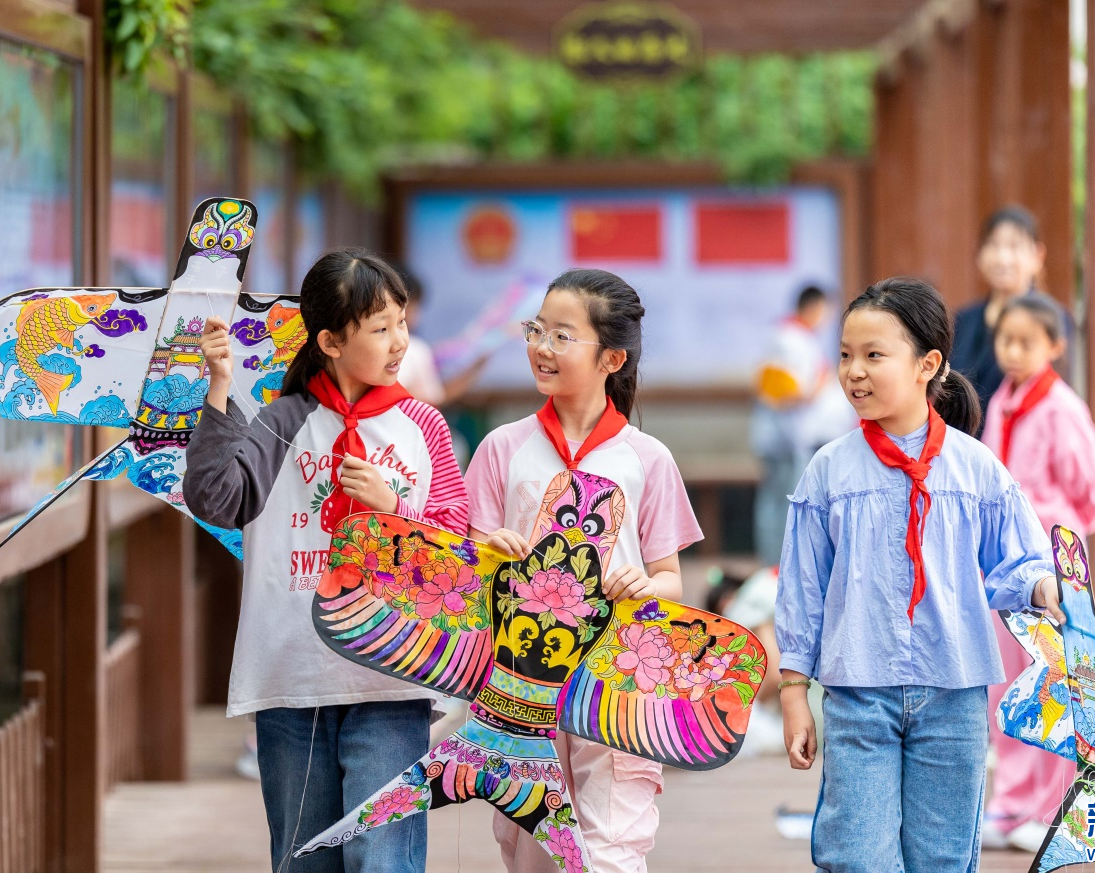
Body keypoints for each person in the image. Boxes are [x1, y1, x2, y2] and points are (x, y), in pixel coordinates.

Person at [185, 249, 469, 873]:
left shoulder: (422, 424)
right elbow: (217, 500)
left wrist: (393, 508)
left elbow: (455, 542)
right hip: (292, 675)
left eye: (401, 323)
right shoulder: (280, 420)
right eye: (380, 328)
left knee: (383, 857)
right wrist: (220, 387)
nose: (400, 342)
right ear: (331, 342)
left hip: (392, 671)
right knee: (301, 858)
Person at [776, 276, 1064, 872]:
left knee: (944, 859)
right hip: (857, 694)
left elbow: (1021, 560)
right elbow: (802, 590)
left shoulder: (976, 468)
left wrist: (1045, 587)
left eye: (873, 355)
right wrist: (794, 692)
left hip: (955, 692)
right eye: (846, 355)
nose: (854, 372)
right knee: (858, 855)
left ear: (927, 365)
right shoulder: (828, 471)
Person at [463, 268, 703, 873]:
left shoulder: (648, 459)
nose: (542, 347)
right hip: (519, 681)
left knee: (612, 847)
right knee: (531, 848)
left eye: (562, 336)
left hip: (615, 681)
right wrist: (489, 557)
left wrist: (646, 587)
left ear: (611, 358)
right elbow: (466, 574)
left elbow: (669, 578)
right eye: (536, 330)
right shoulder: (500, 448)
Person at [979, 292, 1095, 851]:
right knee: (1008, 683)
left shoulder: (1062, 408)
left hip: (1054, 568)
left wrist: (1060, 534)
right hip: (1007, 564)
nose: (1012, 352)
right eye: (1005, 340)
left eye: (1026, 342)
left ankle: (1052, 808)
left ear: (1054, 346)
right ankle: (1011, 803)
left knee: (1056, 681)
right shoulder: (1001, 401)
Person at [752, 284, 854, 565]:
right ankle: (776, 566)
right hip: (786, 437)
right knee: (783, 503)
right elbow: (788, 392)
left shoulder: (790, 336)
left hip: (788, 436)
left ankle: (776, 564)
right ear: (814, 307)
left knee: (778, 502)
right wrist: (820, 384)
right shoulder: (791, 340)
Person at [952, 206, 1071, 419]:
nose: (1002, 257)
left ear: (1038, 255)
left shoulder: (1051, 319)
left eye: (1014, 246)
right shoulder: (964, 319)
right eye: (993, 245)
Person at [395, 265, 490, 407]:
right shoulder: (415, 350)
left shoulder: (414, 350)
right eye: (415, 308)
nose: (417, 315)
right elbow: (433, 399)